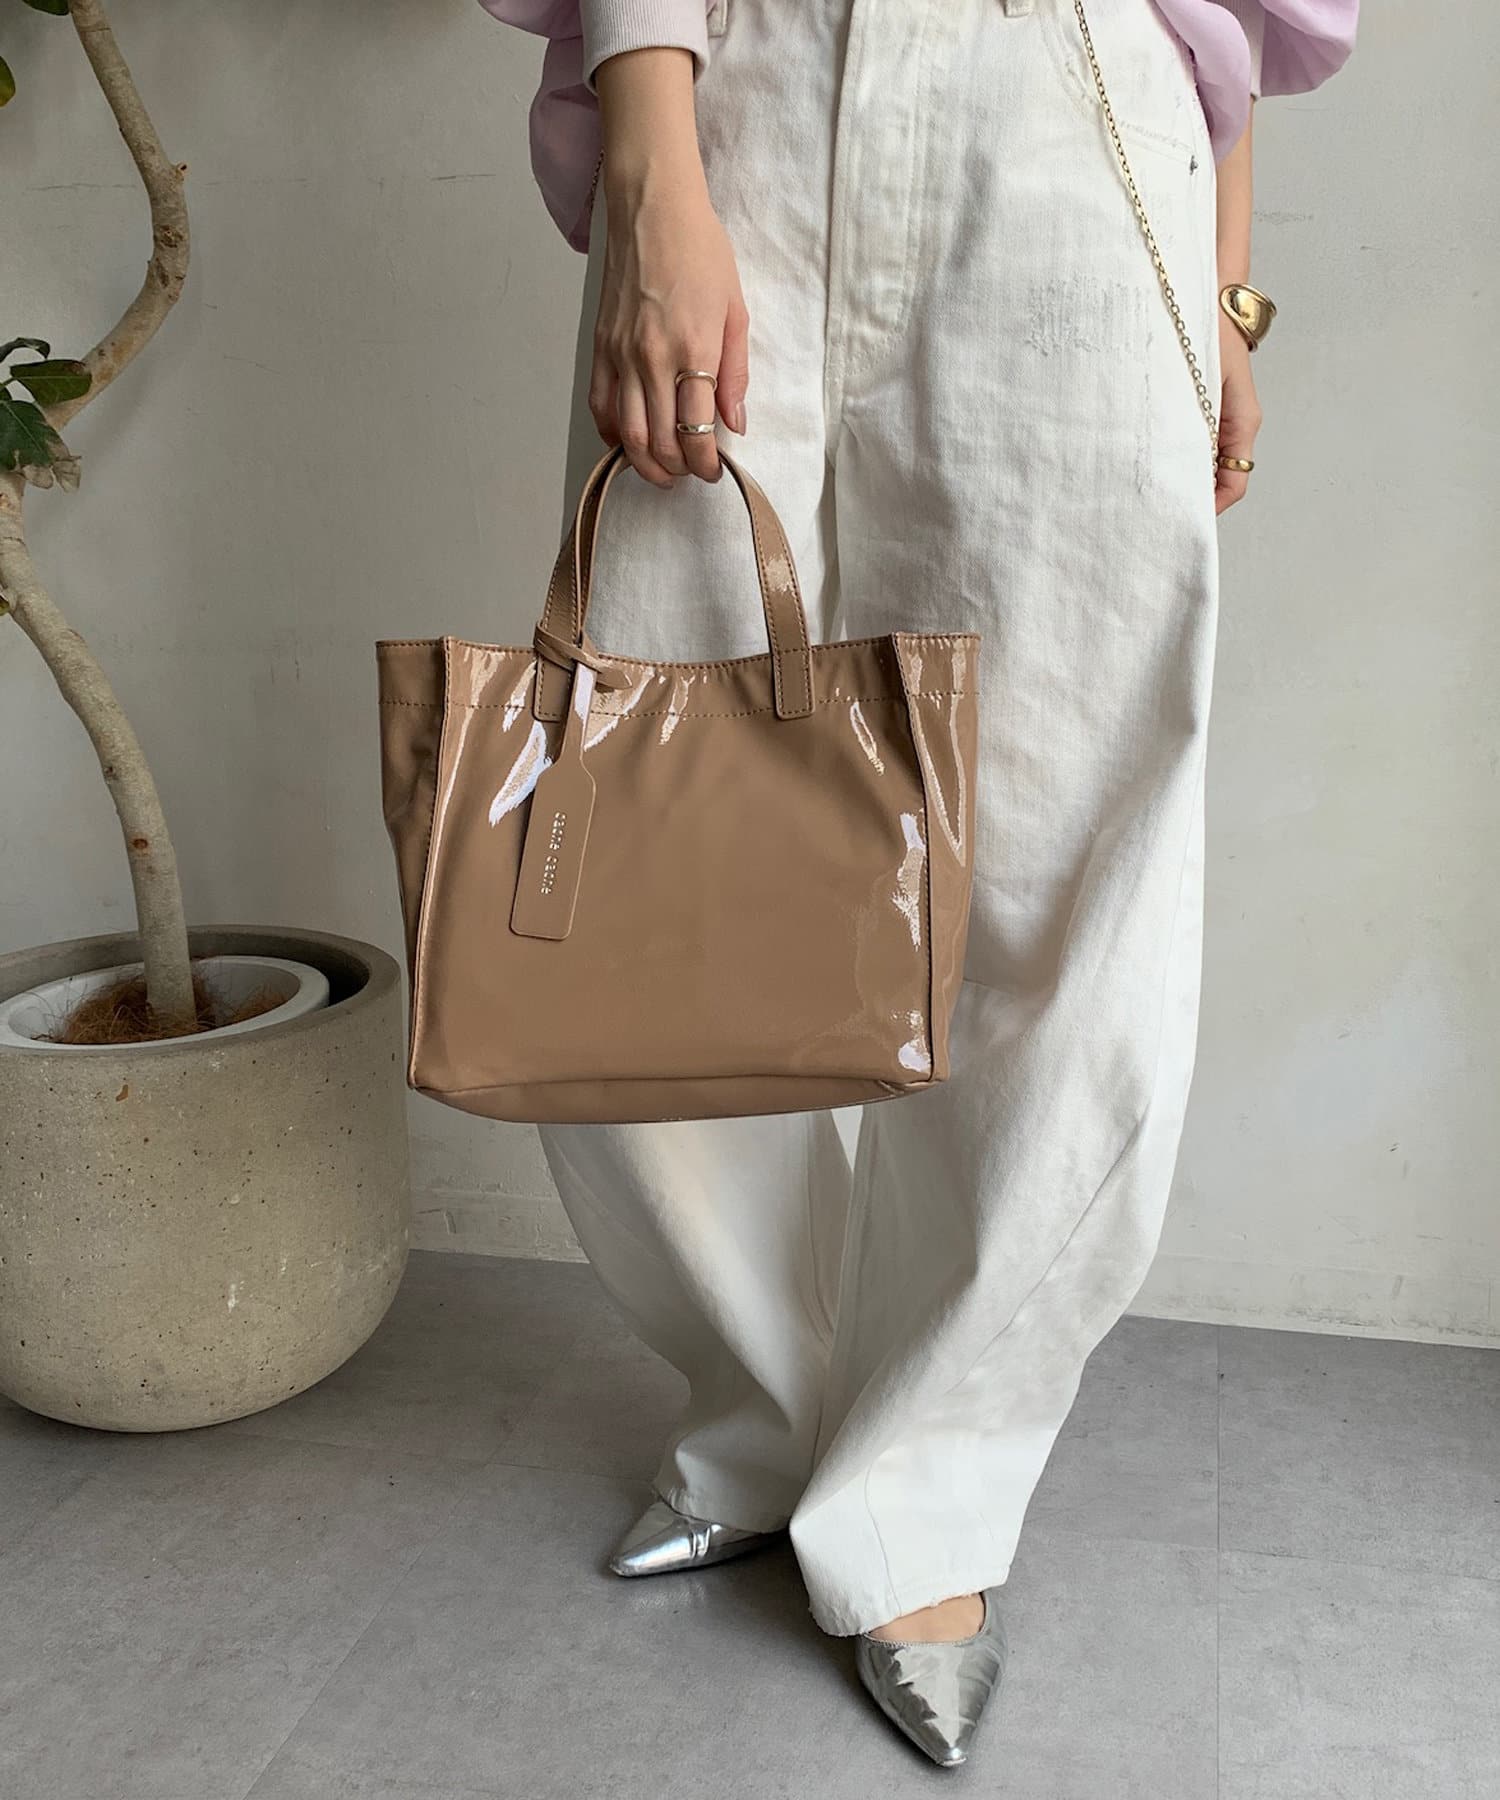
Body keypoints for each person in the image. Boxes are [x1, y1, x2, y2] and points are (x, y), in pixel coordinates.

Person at [477, 0, 1356, 1767]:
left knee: (1056, 856)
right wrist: (652, 163)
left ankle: (927, 1497)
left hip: (1077, 110)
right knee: (659, 825)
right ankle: (764, 1411)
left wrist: (1222, 284)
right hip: (737, 79)